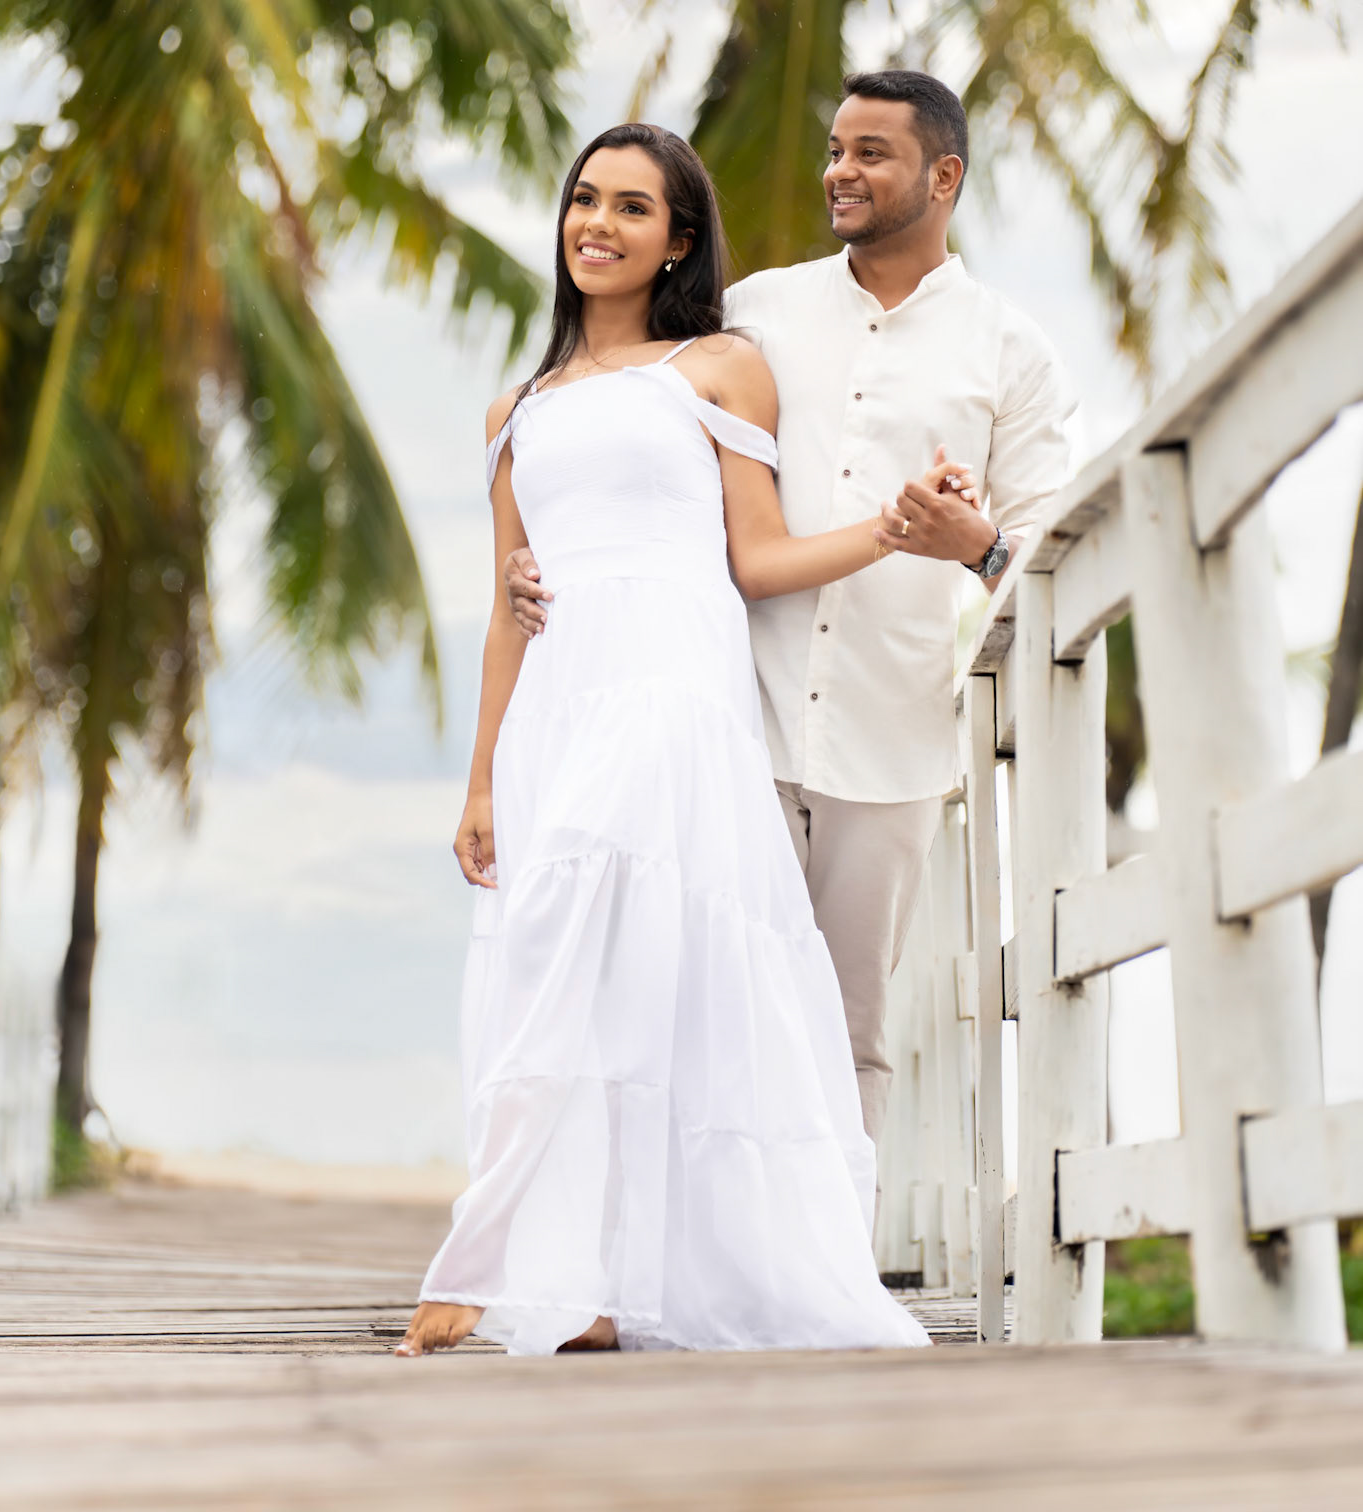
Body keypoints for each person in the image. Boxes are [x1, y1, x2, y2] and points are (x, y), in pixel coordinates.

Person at [397, 121, 970, 1358]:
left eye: (633, 207)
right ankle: (596, 1284)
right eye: (584, 200)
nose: (597, 223)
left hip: (672, 686)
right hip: (561, 700)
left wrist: (896, 528)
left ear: (679, 239)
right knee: (592, 982)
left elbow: (756, 558)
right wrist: (481, 777)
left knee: (587, 940)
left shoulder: (716, 369)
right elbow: (509, 606)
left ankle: (480, 1255)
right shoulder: (518, 408)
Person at [508, 74, 1073, 1162]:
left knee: (847, 1030)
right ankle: (695, 1269)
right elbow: (641, 429)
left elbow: (1048, 561)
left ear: (944, 176)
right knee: (697, 1006)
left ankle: (835, 1281)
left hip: (891, 739)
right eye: (834, 148)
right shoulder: (756, 310)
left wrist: (977, 546)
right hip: (729, 717)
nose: (839, 173)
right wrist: (545, 556)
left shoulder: (1013, 352)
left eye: (870, 153)